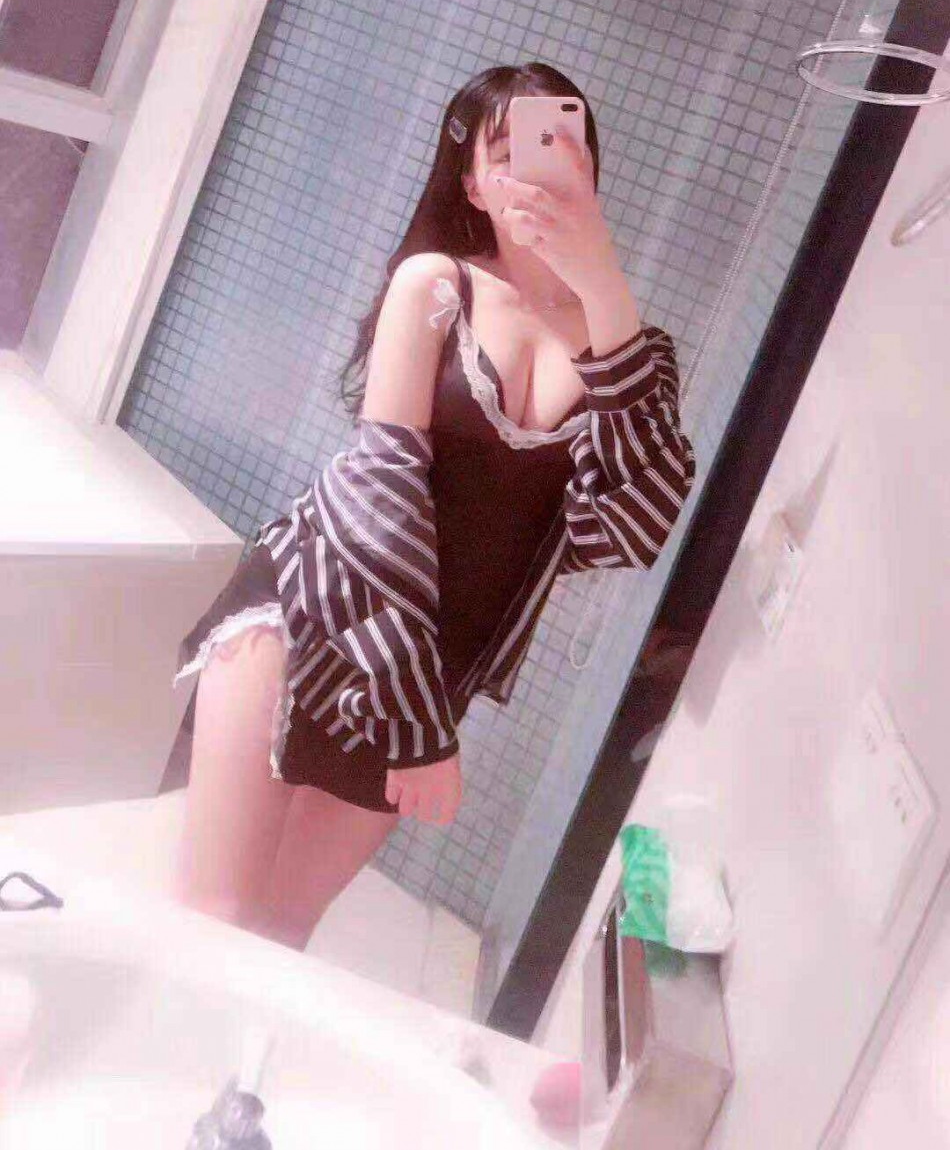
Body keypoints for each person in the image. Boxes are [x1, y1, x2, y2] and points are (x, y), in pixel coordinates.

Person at [171, 62, 695, 950]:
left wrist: (603, 283)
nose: (534, 169)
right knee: (214, 918)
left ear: (589, 168)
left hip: (433, 671)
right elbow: (380, 499)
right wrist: (420, 730)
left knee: (281, 934)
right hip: (313, 612)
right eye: (506, 151)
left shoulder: (633, 349)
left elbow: (632, 524)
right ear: (472, 183)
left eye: (559, 145)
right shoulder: (437, 284)